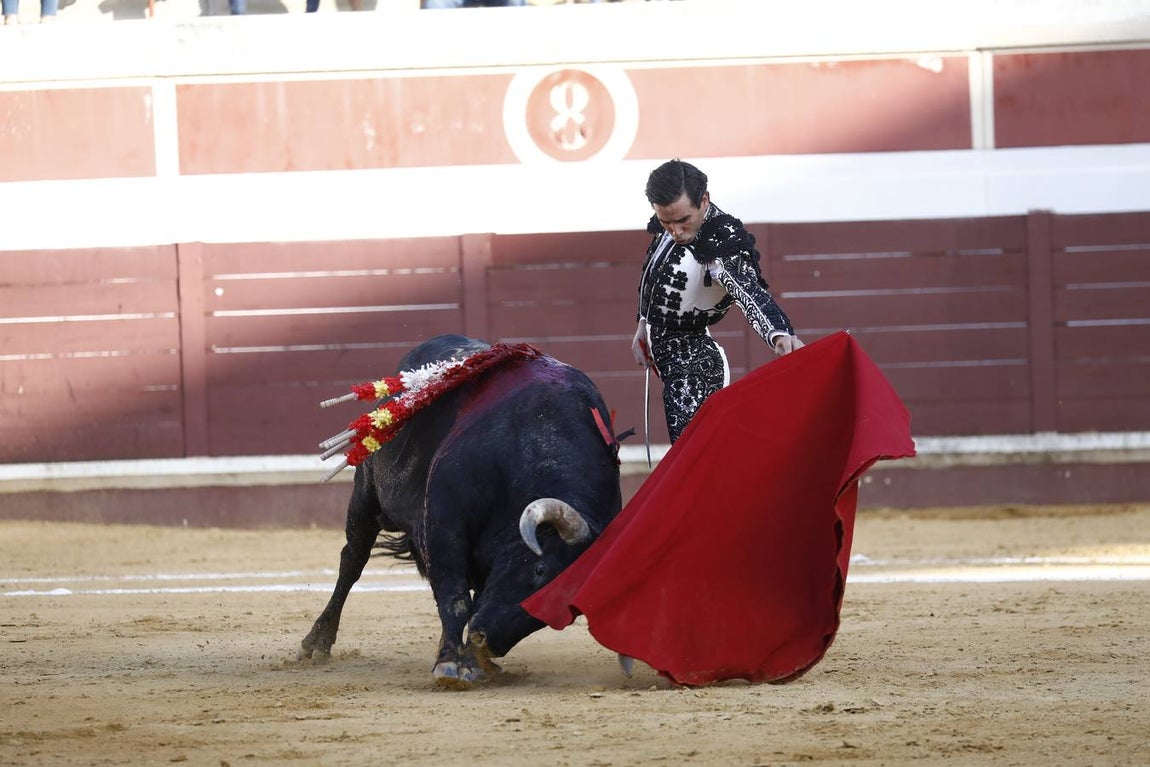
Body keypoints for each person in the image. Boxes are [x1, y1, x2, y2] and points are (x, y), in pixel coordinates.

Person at [632, 159, 804, 443]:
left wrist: (779, 333)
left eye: (683, 220)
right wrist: (643, 325)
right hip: (669, 360)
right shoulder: (674, 221)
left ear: (704, 201)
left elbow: (749, 290)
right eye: (666, 222)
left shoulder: (721, 240)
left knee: (694, 461)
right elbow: (653, 271)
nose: (674, 231)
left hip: (694, 367)